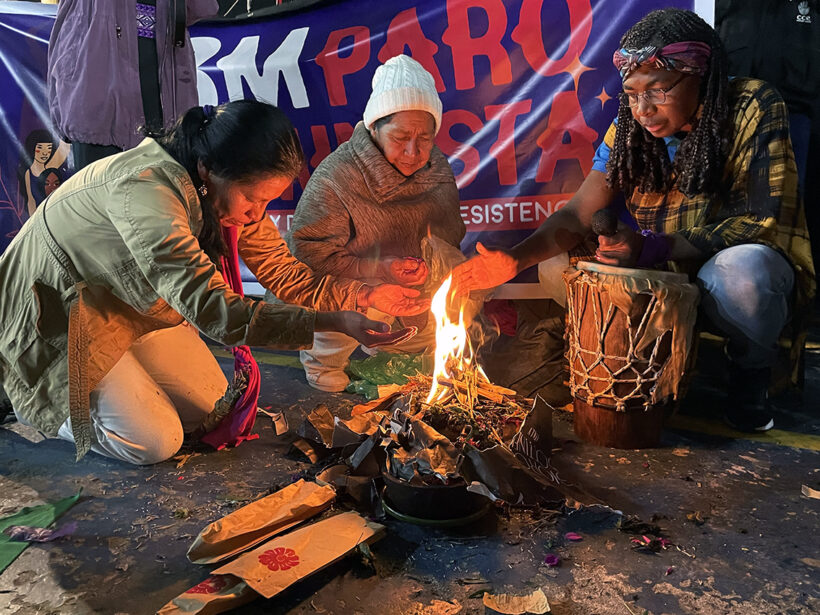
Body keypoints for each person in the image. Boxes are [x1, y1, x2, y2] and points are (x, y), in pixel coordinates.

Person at [0, 100, 427, 465]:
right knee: (155, 441)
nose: (258, 214)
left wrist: (365, 294)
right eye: (254, 199)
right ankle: (30, 397)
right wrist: (331, 323)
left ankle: (121, 375)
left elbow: (283, 272)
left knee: (211, 404)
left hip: (131, 309)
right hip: (63, 320)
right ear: (207, 170)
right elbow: (215, 312)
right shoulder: (146, 194)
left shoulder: (223, 194)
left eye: (268, 201)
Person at [453, 8, 815, 432]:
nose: (643, 108)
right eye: (632, 93)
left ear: (702, 75)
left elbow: (756, 221)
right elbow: (576, 213)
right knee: (556, 266)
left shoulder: (754, 104)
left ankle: (749, 377)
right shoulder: (629, 127)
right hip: (661, 265)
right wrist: (515, 260)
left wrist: (651, 248)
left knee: (744, 275)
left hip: (718, 265)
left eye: (658, 90)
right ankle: (639, 365)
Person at [287, 54, 466, 392]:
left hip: (404, 295)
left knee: (455, 284)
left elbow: (449, 239)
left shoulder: (438, 169)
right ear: (374, 128)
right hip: (350, 287)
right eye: (400, 138)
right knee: (332, 376)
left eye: (424, 138)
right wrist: (382, 268)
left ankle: (385, 338)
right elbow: (305, 258)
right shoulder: (338, 176)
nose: (413, 152)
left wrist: (429, 267)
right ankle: (321, 356)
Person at [47, 0, 218, 170]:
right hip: (100, 79)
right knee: (103, 187)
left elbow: (202, 8)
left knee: (163, 187)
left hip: (162, 81)